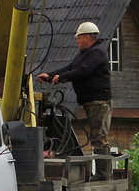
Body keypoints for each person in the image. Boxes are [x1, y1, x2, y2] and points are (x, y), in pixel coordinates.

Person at [36, 21, 112, 153]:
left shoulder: (97, 53)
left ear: (87, 37)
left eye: (79, 37)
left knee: (99, 138)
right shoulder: (84, 54)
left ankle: (102, 173)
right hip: (91, 102)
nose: (77, 41)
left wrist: (60, 77)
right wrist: (50, 76)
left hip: (99, 102)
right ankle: (101, 172)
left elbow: (83, 71)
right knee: (96, 137)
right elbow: (70, 68)